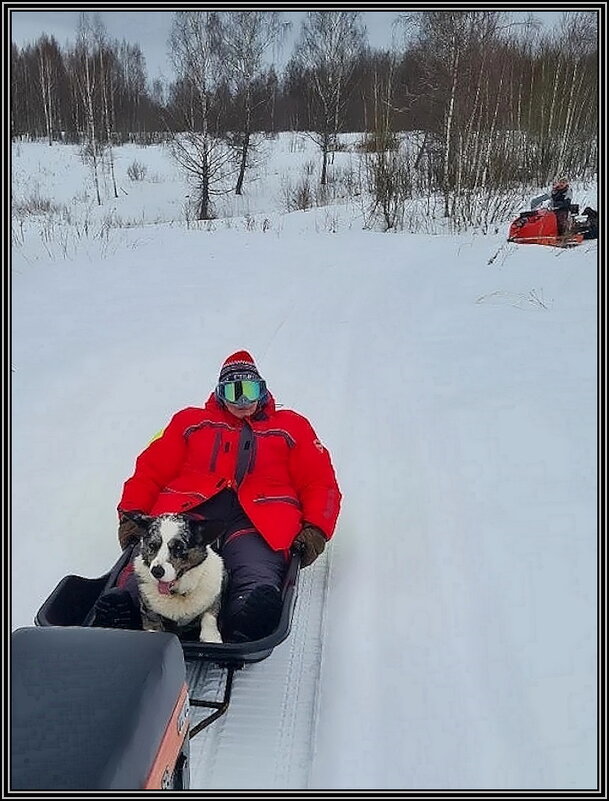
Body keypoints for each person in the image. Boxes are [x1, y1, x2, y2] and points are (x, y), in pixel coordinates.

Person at [94, 350, 342, 641]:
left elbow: (319, 482)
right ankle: (127, 606)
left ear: (262, 391)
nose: (242, 402)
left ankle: (246, 615)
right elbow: (150, 470)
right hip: (192, 507)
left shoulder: (291, 427)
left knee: (256, 560)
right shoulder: (190, 422)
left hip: (260, 514)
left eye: (249, 391)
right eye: (232, 392)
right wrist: (132, 514)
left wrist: (315, 527)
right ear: (218, 393)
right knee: (161, 551)